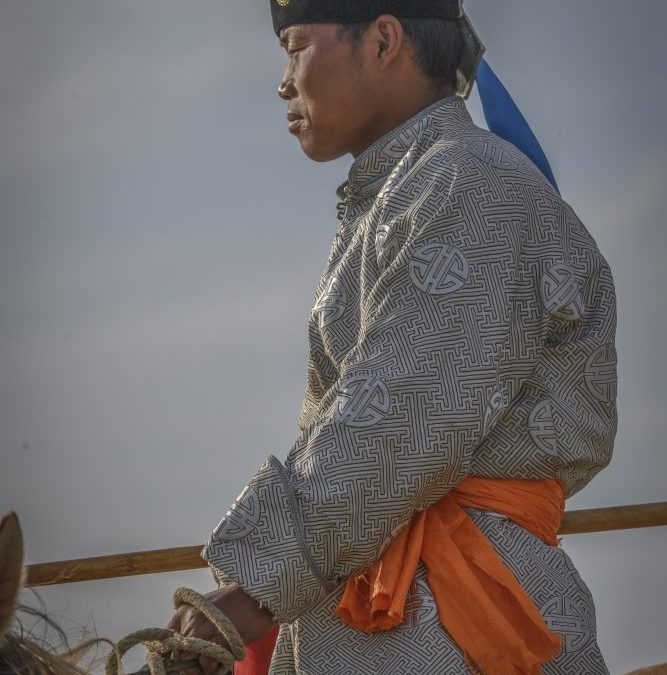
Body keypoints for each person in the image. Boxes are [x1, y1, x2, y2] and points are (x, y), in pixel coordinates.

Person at [168, 1, 617, 673]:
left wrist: (258, 586)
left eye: (295, 49)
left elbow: (402, 414)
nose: (284, 84)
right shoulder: (415, 186)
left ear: (382, 41)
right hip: (392, 607)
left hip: (451, 626)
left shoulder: (471, 182)